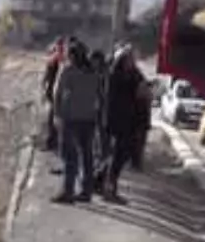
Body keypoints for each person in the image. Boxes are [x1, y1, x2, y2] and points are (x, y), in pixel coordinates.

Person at [51, 40, 100, 203]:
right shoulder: (93, 71)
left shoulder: (68, 70)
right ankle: (86, 191)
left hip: (70, 118)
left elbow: (57, 92)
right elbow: (100, 95)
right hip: (89, 118)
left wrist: (57, 113)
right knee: (87, 155)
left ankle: (68, 191)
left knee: (70, 156)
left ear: (71, 55)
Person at [101, 45, 148, 202]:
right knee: (116, 155)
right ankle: (109, 188)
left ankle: (102, 181)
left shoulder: (134, 75)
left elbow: (143, 89)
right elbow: (114, 100)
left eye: (132, 59)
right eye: (128, 59)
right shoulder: (115, 76)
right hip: (117, 121)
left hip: (130, 122)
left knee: (122, 154)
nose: (131, 62)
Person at [42, 37, 66, 152]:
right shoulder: (56, 58)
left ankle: (53, 142)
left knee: (54, 118)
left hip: (58, 93)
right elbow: (48, 76)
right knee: (53, 118)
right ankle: (53, 142)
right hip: (54, 92)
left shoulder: (61, 59)